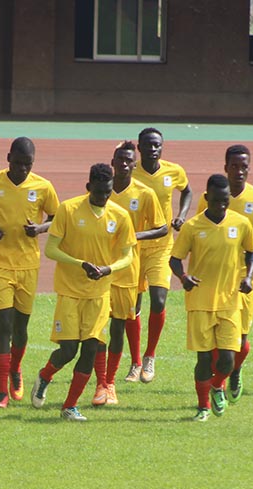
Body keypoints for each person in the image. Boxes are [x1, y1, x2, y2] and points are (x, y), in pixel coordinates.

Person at [30, 163, 136, 422]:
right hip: (69, 291)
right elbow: (51, 249)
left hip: (99, 293)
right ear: (88, 187)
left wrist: (107, 269)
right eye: (98, 192)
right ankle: (45, 376)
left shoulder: (120, 216)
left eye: (108, 192)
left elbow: (128, 255)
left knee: (91, 349)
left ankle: (69, 406)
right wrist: (81, 264)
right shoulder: (68, 209)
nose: (103, 198)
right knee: (68, 351)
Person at [0, 137, 59, 408]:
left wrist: (40, 229)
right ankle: (2, 392)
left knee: (21, 329)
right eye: (18, 163)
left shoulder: (43, 186)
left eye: (27, 165)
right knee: (4, 327)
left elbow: (57, 217)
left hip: (29, 266)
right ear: (8, 158)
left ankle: (16, 369)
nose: (22, 169)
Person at [195, 145, 253, 402]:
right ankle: (218, 382)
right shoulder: (209, 196)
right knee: (215, 338)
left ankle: (226, 377)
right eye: (234, 166)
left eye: (244, 166)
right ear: (226, 168)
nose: (239, 171)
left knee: (241, 340)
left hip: (246, 279)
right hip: (215, 279)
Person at [170, 174, 253, 422]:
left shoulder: (241, 224)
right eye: (217, 201)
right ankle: (203, 407)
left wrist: (249, 277)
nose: (222, 205)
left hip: (230, 301)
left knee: (228, 358)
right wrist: (183, 277)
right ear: (207, 198)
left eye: (226, 201)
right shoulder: (192, 226)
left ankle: (218, 385)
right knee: (204, 359)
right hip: (199, 303)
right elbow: (174, 259)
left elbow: (252, 252)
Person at [93, 141, 167, 406]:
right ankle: (102, 380)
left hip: (127, 270)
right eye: (119, 160)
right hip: (98, 270)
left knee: (118, 326)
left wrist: (134, 236)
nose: (123, 164)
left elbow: (162, 228)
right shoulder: (102, 190)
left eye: (128, 161)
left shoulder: (145, 194)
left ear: (134, 166)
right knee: (95, 330)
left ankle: (109, 383)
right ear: (112, 163)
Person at [131, 127, 193, 384]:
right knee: (131, 306)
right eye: (148, 145)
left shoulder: (174, 171)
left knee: (158, 300)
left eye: (157, 145)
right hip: (133, 247)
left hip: (161, 246)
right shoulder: (131, 171)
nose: (153, 149)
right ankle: (134, 363)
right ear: (139, 147)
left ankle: (149, 357)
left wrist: (181, 215)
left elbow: (187, 191)